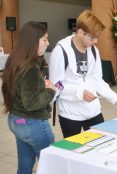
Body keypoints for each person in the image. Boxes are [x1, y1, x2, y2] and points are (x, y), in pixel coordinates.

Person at [48, 10, 117, 138]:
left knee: (100, 145)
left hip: (93, 111)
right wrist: (79, 93)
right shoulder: (61, 51)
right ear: (80, 32)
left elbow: (97, 80)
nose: (96, 41)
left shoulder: (94, 51)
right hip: (70, 114)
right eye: (93, 37)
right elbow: (56, 86)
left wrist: (115, 99)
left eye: (97, 37)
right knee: (74, 151)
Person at [2, 21, 56, 174]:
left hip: (16, 121)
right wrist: (50, 91)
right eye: (44, 39)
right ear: (33, 41)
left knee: (25, 167)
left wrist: (40, 87)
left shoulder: (15, 61)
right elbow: (31, 103)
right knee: (52, 166)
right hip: (32, 123)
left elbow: (21, 91)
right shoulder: (30, 68)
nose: (48, 43)